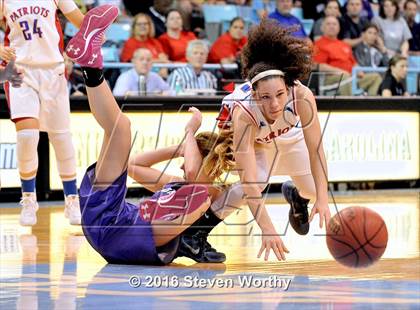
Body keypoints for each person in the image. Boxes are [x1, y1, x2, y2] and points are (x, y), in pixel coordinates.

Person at [66, 5, 236, 264]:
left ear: (209, 162)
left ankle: (91, 59)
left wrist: (190, 132)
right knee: (120, 128)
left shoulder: (210, 192)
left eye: (190, 155)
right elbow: (134, 166)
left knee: (121, 130)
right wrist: (177, 148)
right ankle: (90, 62)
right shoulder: (175, 185)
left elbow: (193, 174)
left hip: (119, 235)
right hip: (114, 219)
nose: (182, 162)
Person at [215, 19, 331, 261]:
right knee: (253, 182)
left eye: (279, 94)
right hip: (259, 144)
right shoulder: (243, 112)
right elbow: (247, 180)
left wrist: (322, 197)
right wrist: (267, 229)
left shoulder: (302, 96)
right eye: (266, 97)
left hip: (291, 137)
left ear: (288, 86)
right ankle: (199, 232)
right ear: (255, 94)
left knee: (312, 189)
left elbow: (316, 151)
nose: (275, 104)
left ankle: (298, 196)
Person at [0, 0, 84, 226]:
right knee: (27, 136)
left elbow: (81, 21)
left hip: (53, 71)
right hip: (20, 72)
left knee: (62, 137)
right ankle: (28, 198)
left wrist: (94, 34)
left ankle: (72, 199)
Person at [314, 16, 382, 96]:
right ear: (322, 28)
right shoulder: (318, 44)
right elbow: (319, 65)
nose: (331, 26)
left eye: (334, 24)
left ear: (339, 28)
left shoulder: (344, 45)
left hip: (351, 77)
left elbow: (353, 63)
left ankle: (370, 106)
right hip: (331, 78)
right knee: (345, 77)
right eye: (328, 24)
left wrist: (359, 72)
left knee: (375, 77)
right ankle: (349, 106)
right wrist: (340, 72)